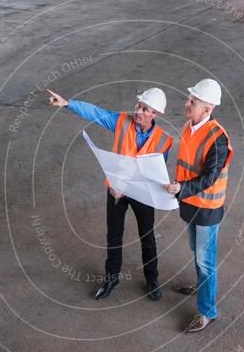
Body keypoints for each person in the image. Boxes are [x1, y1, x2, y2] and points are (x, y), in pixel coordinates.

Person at [47, 87, 173, 301]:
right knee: (114, 237)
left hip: (142, 195)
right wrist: (68, 103)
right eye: (138, 106)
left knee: (147, 237)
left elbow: (158, 173)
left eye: (145, 109)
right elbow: (96, 113)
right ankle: (111, 279)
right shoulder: (121, 122)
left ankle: (152, 280)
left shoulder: (164, 140)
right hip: (117, 190)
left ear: (155, 114)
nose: (138, 111)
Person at [164, 79, 233, 332]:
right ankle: (202, 287)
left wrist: (181, 188)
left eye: (193, 102)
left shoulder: (218, 139)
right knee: (196, 250)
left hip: (206, 209)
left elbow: (209, 177)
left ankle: (207, 312)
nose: (187, 104)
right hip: (189, 204)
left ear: (208, 109)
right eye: (189, 99)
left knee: (205, 261)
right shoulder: (188, 126)